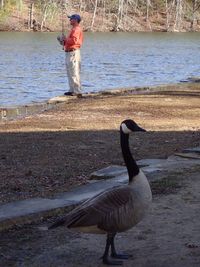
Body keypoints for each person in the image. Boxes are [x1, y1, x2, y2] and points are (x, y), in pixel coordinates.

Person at [57, 14, 83, 97]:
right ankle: (72, 90)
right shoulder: (73, 29)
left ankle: (77, 91)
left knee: (74, 71)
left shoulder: (77, 29)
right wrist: (62, 41)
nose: (70, 20)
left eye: (71, 19)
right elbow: (69, 41)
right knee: (70, 72)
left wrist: (65, 39)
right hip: (69, 52)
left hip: (73, 53)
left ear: (75, 20)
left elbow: (74, 41)